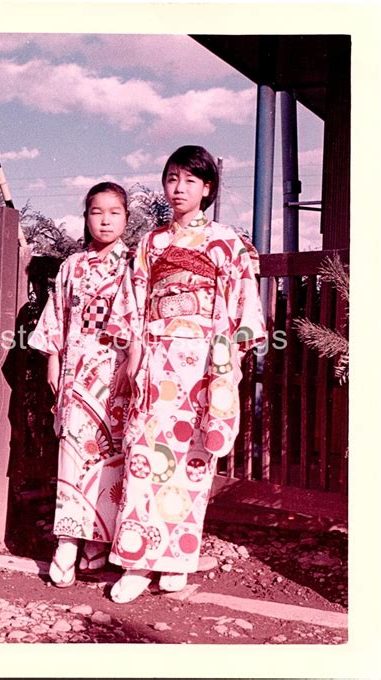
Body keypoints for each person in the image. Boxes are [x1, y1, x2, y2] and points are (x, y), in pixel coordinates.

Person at [104, 145, 266, 603]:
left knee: (192, 456)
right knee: (144, 452)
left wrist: (229, 359)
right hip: (156, 357)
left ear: (207, 188)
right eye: (172, 179)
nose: (179, 189)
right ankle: (136, 561)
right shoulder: (151, 243)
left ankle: (176, 560)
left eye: (190, 181)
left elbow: (241, 301)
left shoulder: (225, 241)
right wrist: (134, 350)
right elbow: (134, 299)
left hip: (202, 359)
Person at [28, 182, 131, 587]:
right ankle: (67, 542)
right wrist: (54, 359)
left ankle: (99, 543)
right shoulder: (72, 266)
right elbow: (58, 315)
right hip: (76, 368)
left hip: (117, 373)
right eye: (96, 211)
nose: (105, 220)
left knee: (111, 460)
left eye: (114, 212)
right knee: (73, 456)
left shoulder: (134, 264)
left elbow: (139, 322)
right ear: (86, 216)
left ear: (126, 217)